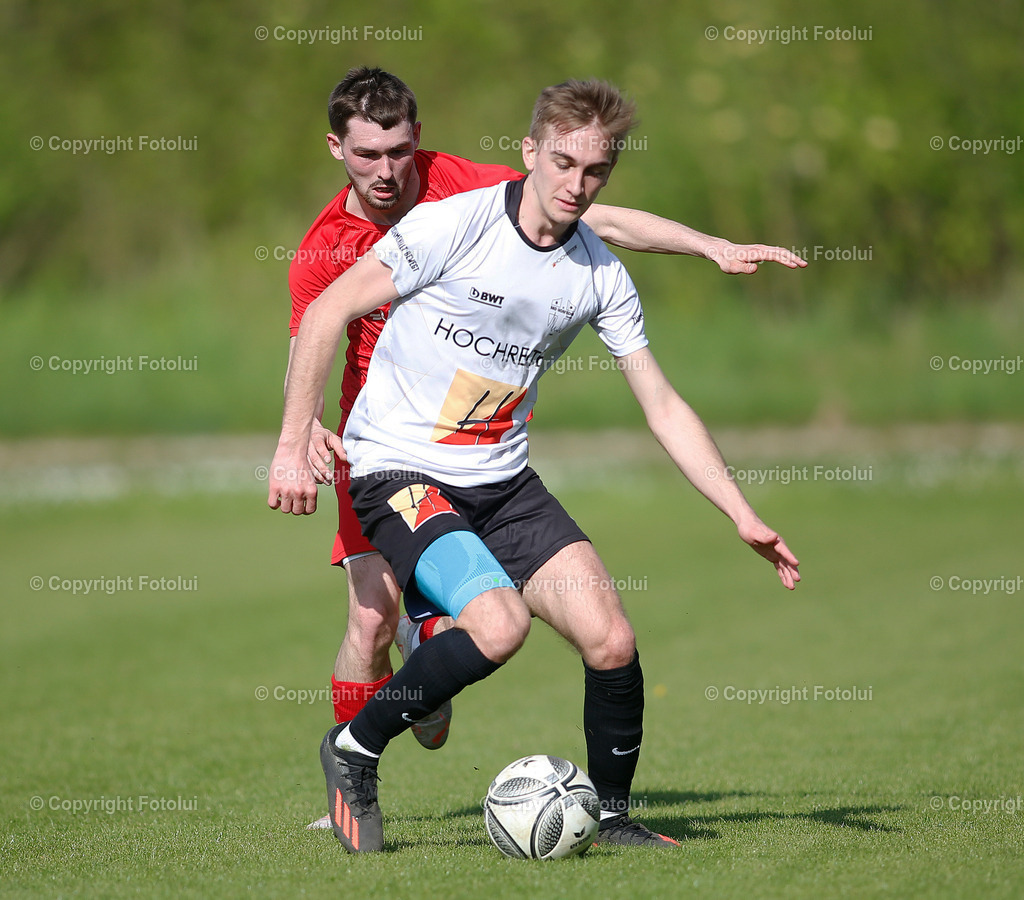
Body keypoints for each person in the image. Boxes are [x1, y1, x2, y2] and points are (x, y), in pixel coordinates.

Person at [269, 77, 801, 852]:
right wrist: (292, 441)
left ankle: (611, 816)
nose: (576, 186)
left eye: (594, 173)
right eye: (563, 165)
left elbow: (661, 403)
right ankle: (354, 748)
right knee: (495, 624)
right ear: (528, 154)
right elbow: (325, 311)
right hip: (399, 470)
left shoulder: (599, 274)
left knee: (611, 639)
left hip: (504, 484)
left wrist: (740, 511)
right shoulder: (455, 222)